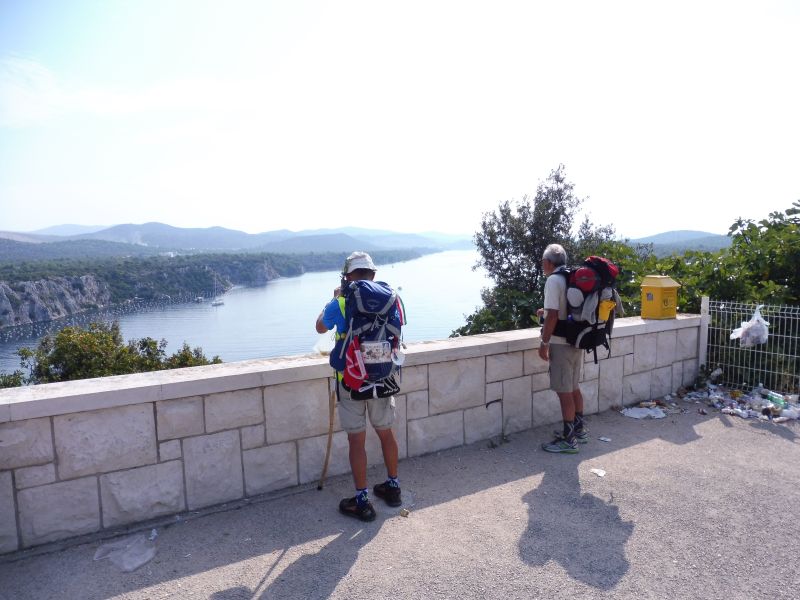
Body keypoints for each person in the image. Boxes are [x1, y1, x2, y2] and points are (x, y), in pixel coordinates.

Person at [315, 251, 402, 521]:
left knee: (357, 441)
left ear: (348, 275)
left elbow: (320, 328)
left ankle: (362, 501)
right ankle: (393, 488)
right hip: (384, 377)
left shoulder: (342, 301)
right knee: (386, 434)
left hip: (351, 381)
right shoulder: (391, 298)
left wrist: (334, 298)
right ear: (373, 274)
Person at [536, 243, 588, 453]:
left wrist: (544, 343)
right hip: (577, 340)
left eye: (543, 262)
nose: (542, 265)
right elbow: (562, 310)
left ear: (548, 262)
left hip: (560, 343)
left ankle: (569, 441)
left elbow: (554, 316)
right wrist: (545, 313)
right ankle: (579, 431)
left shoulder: (553, 281)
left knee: (564, 392)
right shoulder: (571, 277)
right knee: (573, 387)